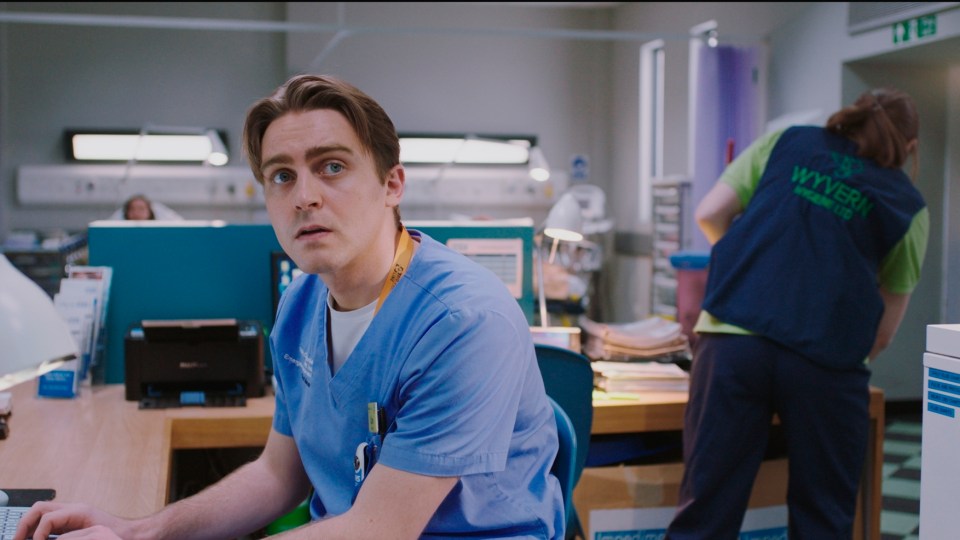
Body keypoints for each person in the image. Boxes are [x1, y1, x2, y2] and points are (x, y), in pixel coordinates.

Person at [16, 74, 564, 539]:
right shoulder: (301, 304)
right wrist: (138, 531)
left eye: (331, 167)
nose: (304, 195)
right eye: (282, 175)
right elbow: (278, 476)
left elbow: (378, 529)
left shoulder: (461, 322)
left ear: (392, 183)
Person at [665, 87, 929, 539]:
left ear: (848, 117)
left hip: (732, 341)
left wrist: (754, 266)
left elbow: (711, 212)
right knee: (822, 516)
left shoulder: (789, 142)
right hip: (825, 359)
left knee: (706, 508)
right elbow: (883, 329)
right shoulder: (908, 206)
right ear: (910, 147)